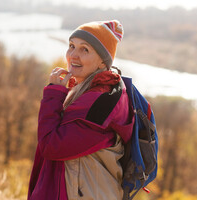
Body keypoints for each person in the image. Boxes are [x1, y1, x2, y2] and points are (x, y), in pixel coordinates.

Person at [27, 20, 134, 200]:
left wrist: (54, 94)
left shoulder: (101, 103)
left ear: (102, 62)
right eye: (71, 46)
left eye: (85, 49)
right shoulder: (90, 90)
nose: (73, 55)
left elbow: (51, 145)